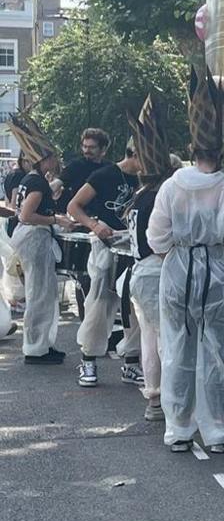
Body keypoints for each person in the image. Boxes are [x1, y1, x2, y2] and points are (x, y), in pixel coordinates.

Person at [148, 67, 224, 454]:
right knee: (219, 350)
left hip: (177, 273)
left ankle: (178, 428)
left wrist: (181, 248)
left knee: (176, 348)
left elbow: (156, 239)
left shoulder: (171, 187)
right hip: (219, 273)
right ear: (220, 152)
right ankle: (221, 430)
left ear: (191, 151)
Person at [65, 137, 140, 389]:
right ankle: (88, 361)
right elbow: (74, 206)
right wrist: (94, 225)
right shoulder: (105, 174)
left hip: (134, 248)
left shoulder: (147, 180)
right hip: (106, 247)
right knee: (98, 304)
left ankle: (131, 362)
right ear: (135, 154)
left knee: (134, 309)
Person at [10, 114, 73, 365]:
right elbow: (27, 215)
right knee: (40, 294)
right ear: (45, 159)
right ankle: (36, 348)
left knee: (42, 293)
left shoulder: (31, 179)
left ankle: (42, 344)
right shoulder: (37, 183)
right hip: (35, 240)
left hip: (31, 240)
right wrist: (56, 220)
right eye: (53, 157)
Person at [124, 97, 171, 421]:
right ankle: (168, 399)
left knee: (150, 338)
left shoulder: (138, 196)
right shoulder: (158, 196)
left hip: (139, 270)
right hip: (156, 270)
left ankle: (154, 399)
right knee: (167, 337)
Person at [56, 127, 109, 211]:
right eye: (85, 146)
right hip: (78, 215)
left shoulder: (109, 168)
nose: (87, 150)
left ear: (103, 148)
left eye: (92, 147)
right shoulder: (76, 165)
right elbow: (58, 182)